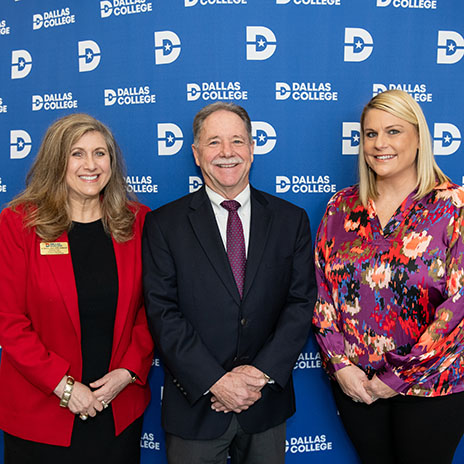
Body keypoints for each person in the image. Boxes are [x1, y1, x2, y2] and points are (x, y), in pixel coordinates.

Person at [143, 102, 316, 464]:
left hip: (264, 404)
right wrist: (217, 382)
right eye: (214, 142)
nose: (227, 152)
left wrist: (258, 375)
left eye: (237, 141)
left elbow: (300, 304)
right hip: (196, 408)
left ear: (252, 149)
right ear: (196, 153)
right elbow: (163, 313)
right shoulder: (164, 225)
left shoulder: (291, 220)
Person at [313, 89, 464, 464]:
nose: (380, 144)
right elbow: (322, 293)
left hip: (432, 386)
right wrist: (340, 365)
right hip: (358, 386)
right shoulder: (340, 207)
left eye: (393, 131)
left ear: (419, 137)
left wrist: (396, 378)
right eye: (371, 134)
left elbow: (459, 308)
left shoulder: (453, 206)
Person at [0, 113, 154, 464]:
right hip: (41, 412)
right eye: (77, 154)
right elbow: (9, 321)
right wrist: (65, 387)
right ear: (57, 161)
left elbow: (153, 309)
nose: (91, 165)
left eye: (100, 153)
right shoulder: (18, 224)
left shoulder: (137, 221)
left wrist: (128, 372)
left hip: (116, 407)